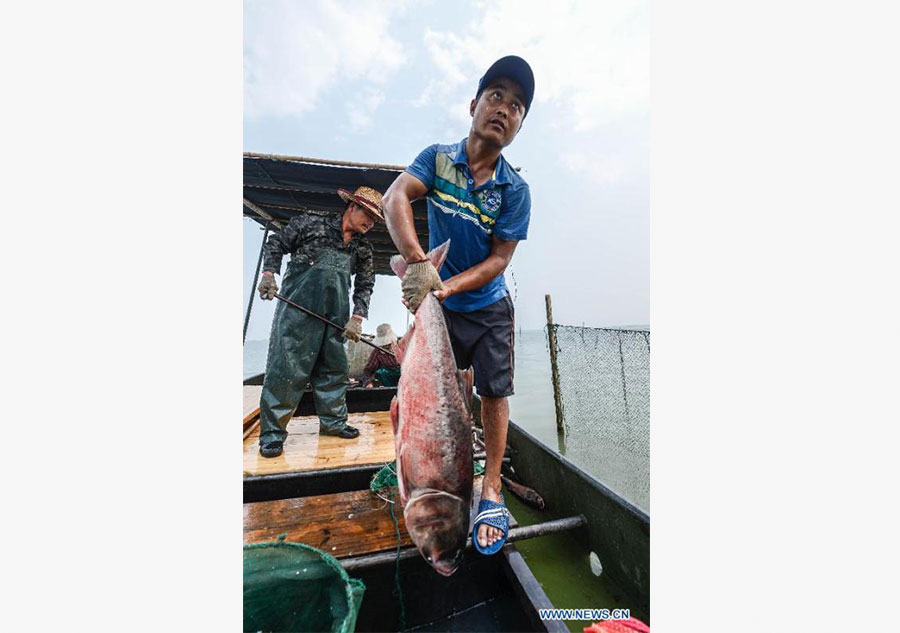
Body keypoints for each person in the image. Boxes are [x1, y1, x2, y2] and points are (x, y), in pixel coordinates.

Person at [382, 56, 534, 554]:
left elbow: (499, 260)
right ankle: (421, 462)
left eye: (517, 106)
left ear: (519, 125)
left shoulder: (515, 190)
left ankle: (490, 488)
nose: (504, 109)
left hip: (487, 306)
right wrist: (417, 261)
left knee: (493, 392)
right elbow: (395, 197)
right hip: (438, 298)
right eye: (496, 96)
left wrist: (444, 287)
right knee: (433, 397)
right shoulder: (438, 158)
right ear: (474, 105)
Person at [255, 186, 383, 457]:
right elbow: (276, 243)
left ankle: (334, 424)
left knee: (334, 370)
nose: (371, 223)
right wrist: (268, 274)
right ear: (352, 207)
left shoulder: (363, 248)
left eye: (375, 220)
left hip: (335, 318)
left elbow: (365, 284)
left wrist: (357, 318)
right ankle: (272, 435)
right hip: (296, 314)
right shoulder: (311, 223)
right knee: (285, 371)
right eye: (368, 216)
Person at [360, 323, 402, 388]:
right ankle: (391, 390)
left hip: (404, 373)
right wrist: (367, 382)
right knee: (380, 372)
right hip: (390, 377)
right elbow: (368, 370)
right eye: (384, 345)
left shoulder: (401, 345)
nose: (386, 346)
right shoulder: (377, 352)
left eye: (388, 344)